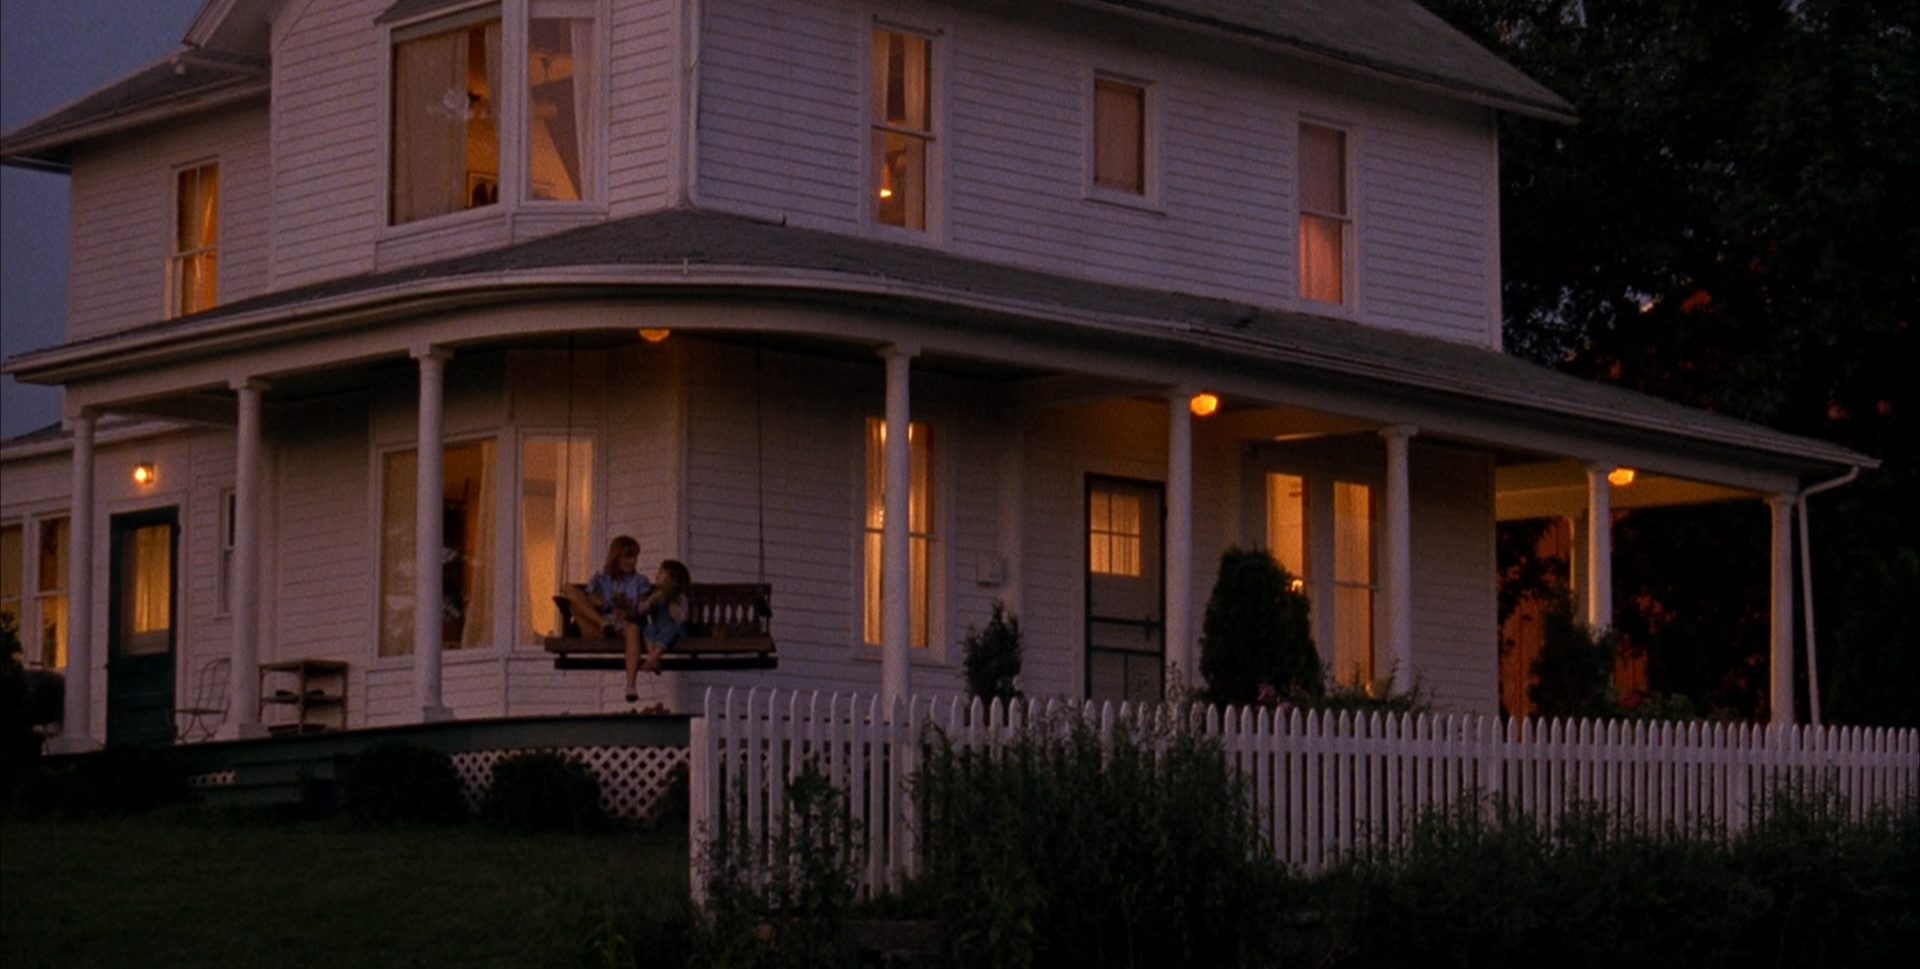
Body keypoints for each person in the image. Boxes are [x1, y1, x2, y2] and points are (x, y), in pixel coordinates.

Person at [565, 536, 653, 702]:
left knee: (633, 628)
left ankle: (631, 685)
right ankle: (602, 623)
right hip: (598, 624)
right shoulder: (601, 578)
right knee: (569, 590)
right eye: (627, 557)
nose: (632, 561)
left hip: (622, 626)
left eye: (634, 557)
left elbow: (643, 608)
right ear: (616, 557)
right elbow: (588, 598)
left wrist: (628, 611)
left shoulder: (640, 581)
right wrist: (596, 600)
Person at [635, 559, 691, 677]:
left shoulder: (679, 597)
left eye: (661, 573)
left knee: (670, 629)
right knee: (649, 628)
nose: (657, 575)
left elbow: (682, 618)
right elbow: (642, 610)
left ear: (671, 579)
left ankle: (653, 658)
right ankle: (653, 658)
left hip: (676, 630)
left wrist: (672, 603)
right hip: (659, 628)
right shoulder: (656, 594)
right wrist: (651, 601)